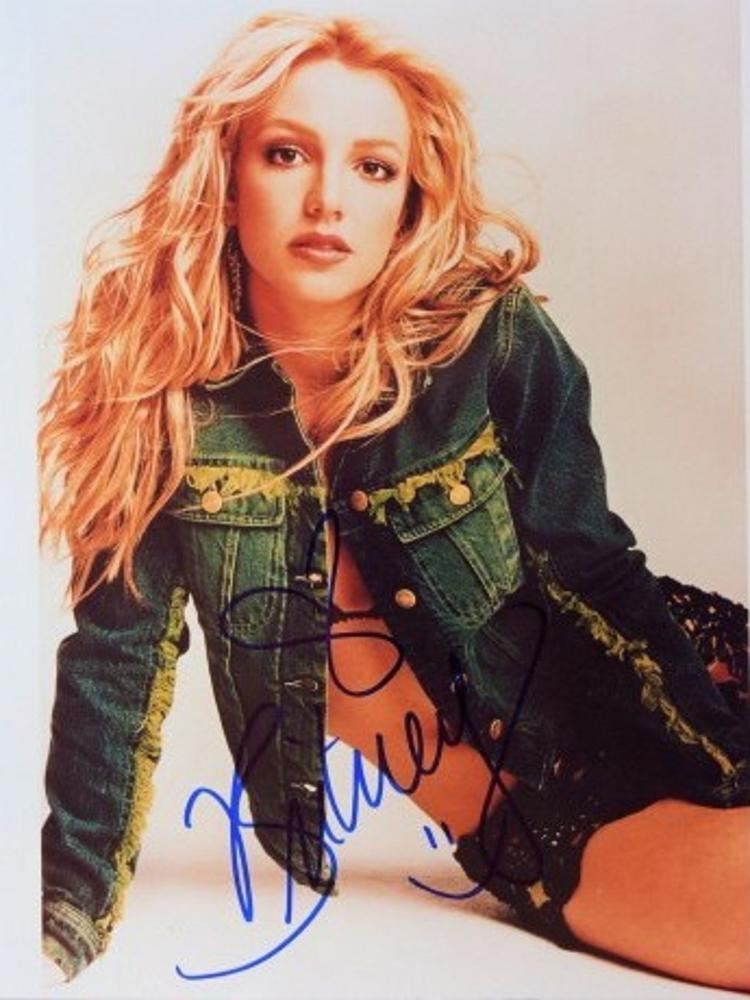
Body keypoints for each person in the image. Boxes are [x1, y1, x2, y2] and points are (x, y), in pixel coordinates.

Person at [39, 11, 749, 990]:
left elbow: (595, 566)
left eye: (373, 167)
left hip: (686, 690)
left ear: (409, 202)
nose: (328, 199)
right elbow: (113, 670)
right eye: (288, 153)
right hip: (548, 813)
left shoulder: (487, 339)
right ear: (227, 175)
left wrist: (724, 764)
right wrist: (60, 928)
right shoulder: (162, 412)